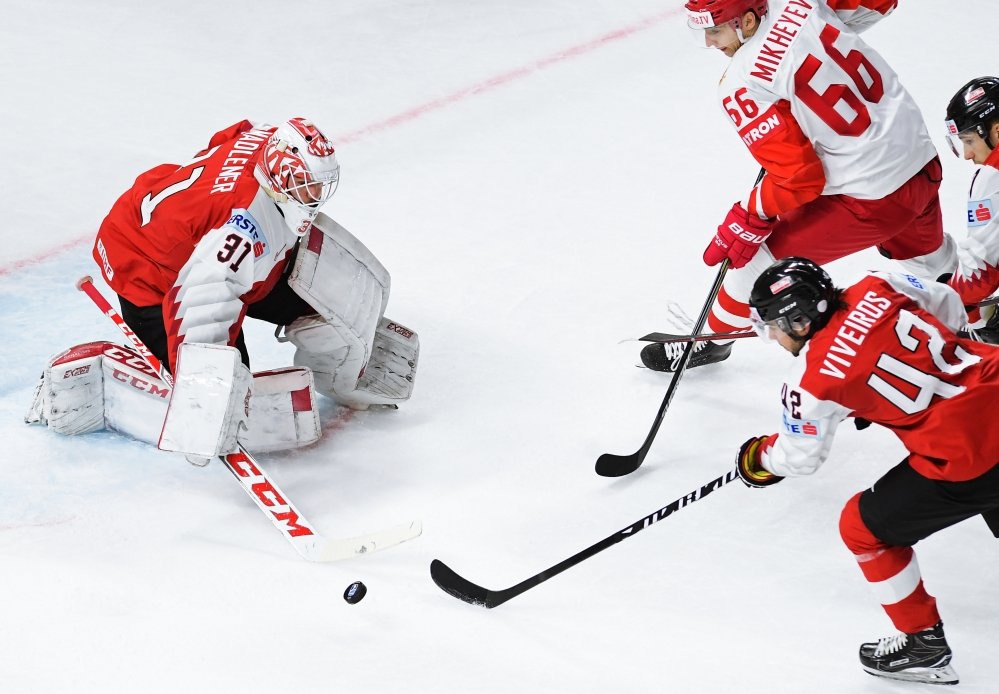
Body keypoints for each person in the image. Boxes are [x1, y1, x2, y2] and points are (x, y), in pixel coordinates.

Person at [27, 118, 419, 461]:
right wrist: (206, 399)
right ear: (279, 178)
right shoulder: (241, 228)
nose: (314, 196)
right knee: (235, 406)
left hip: (211, 250)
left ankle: (339, 376)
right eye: (305, 186)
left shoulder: (267, 143)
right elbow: (200, 300)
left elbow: (227, 138)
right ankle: (101, 379)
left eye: (319, 185)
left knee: (326, 307)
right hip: (149, 271)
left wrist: (198, 213)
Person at [640, 0, 957, 372]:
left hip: (872, 197)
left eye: (715, 30)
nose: (710, 43)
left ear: (746, 20)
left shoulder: (742, 82)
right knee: (929, 263)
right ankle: (974, 317)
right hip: (920, 162)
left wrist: (751, 211)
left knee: (752, 260)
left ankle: (708, 341)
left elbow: (800, 179)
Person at [733, 256, 999, 685]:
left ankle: (923, 646)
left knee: (862, 527)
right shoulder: (880, 282)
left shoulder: (812, 382)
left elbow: (800, 457)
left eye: (774, 327)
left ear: (800, 322)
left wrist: (759, 459)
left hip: (969, 454)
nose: (774, 337)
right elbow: (947, 300)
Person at [941, 76, 999, 342]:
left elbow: (980, 278)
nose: (967, 155)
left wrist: (949, 296)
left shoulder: (991, 178)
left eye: (969, 142)